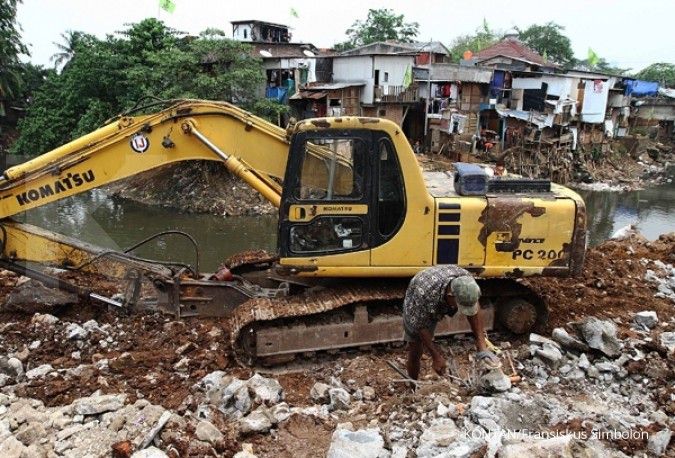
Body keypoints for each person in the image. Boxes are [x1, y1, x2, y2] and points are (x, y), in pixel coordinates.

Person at [402, 265, 502, 381]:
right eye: (460, 305)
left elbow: (474, 309)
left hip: (439, 290)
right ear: (450, 296)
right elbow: (420, 326)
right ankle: (412, 385)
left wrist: (481, 344)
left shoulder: (468, 284)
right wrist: (436, 356)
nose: (461, 310)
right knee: (415, 349)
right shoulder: (423, 294)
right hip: (418, 301)